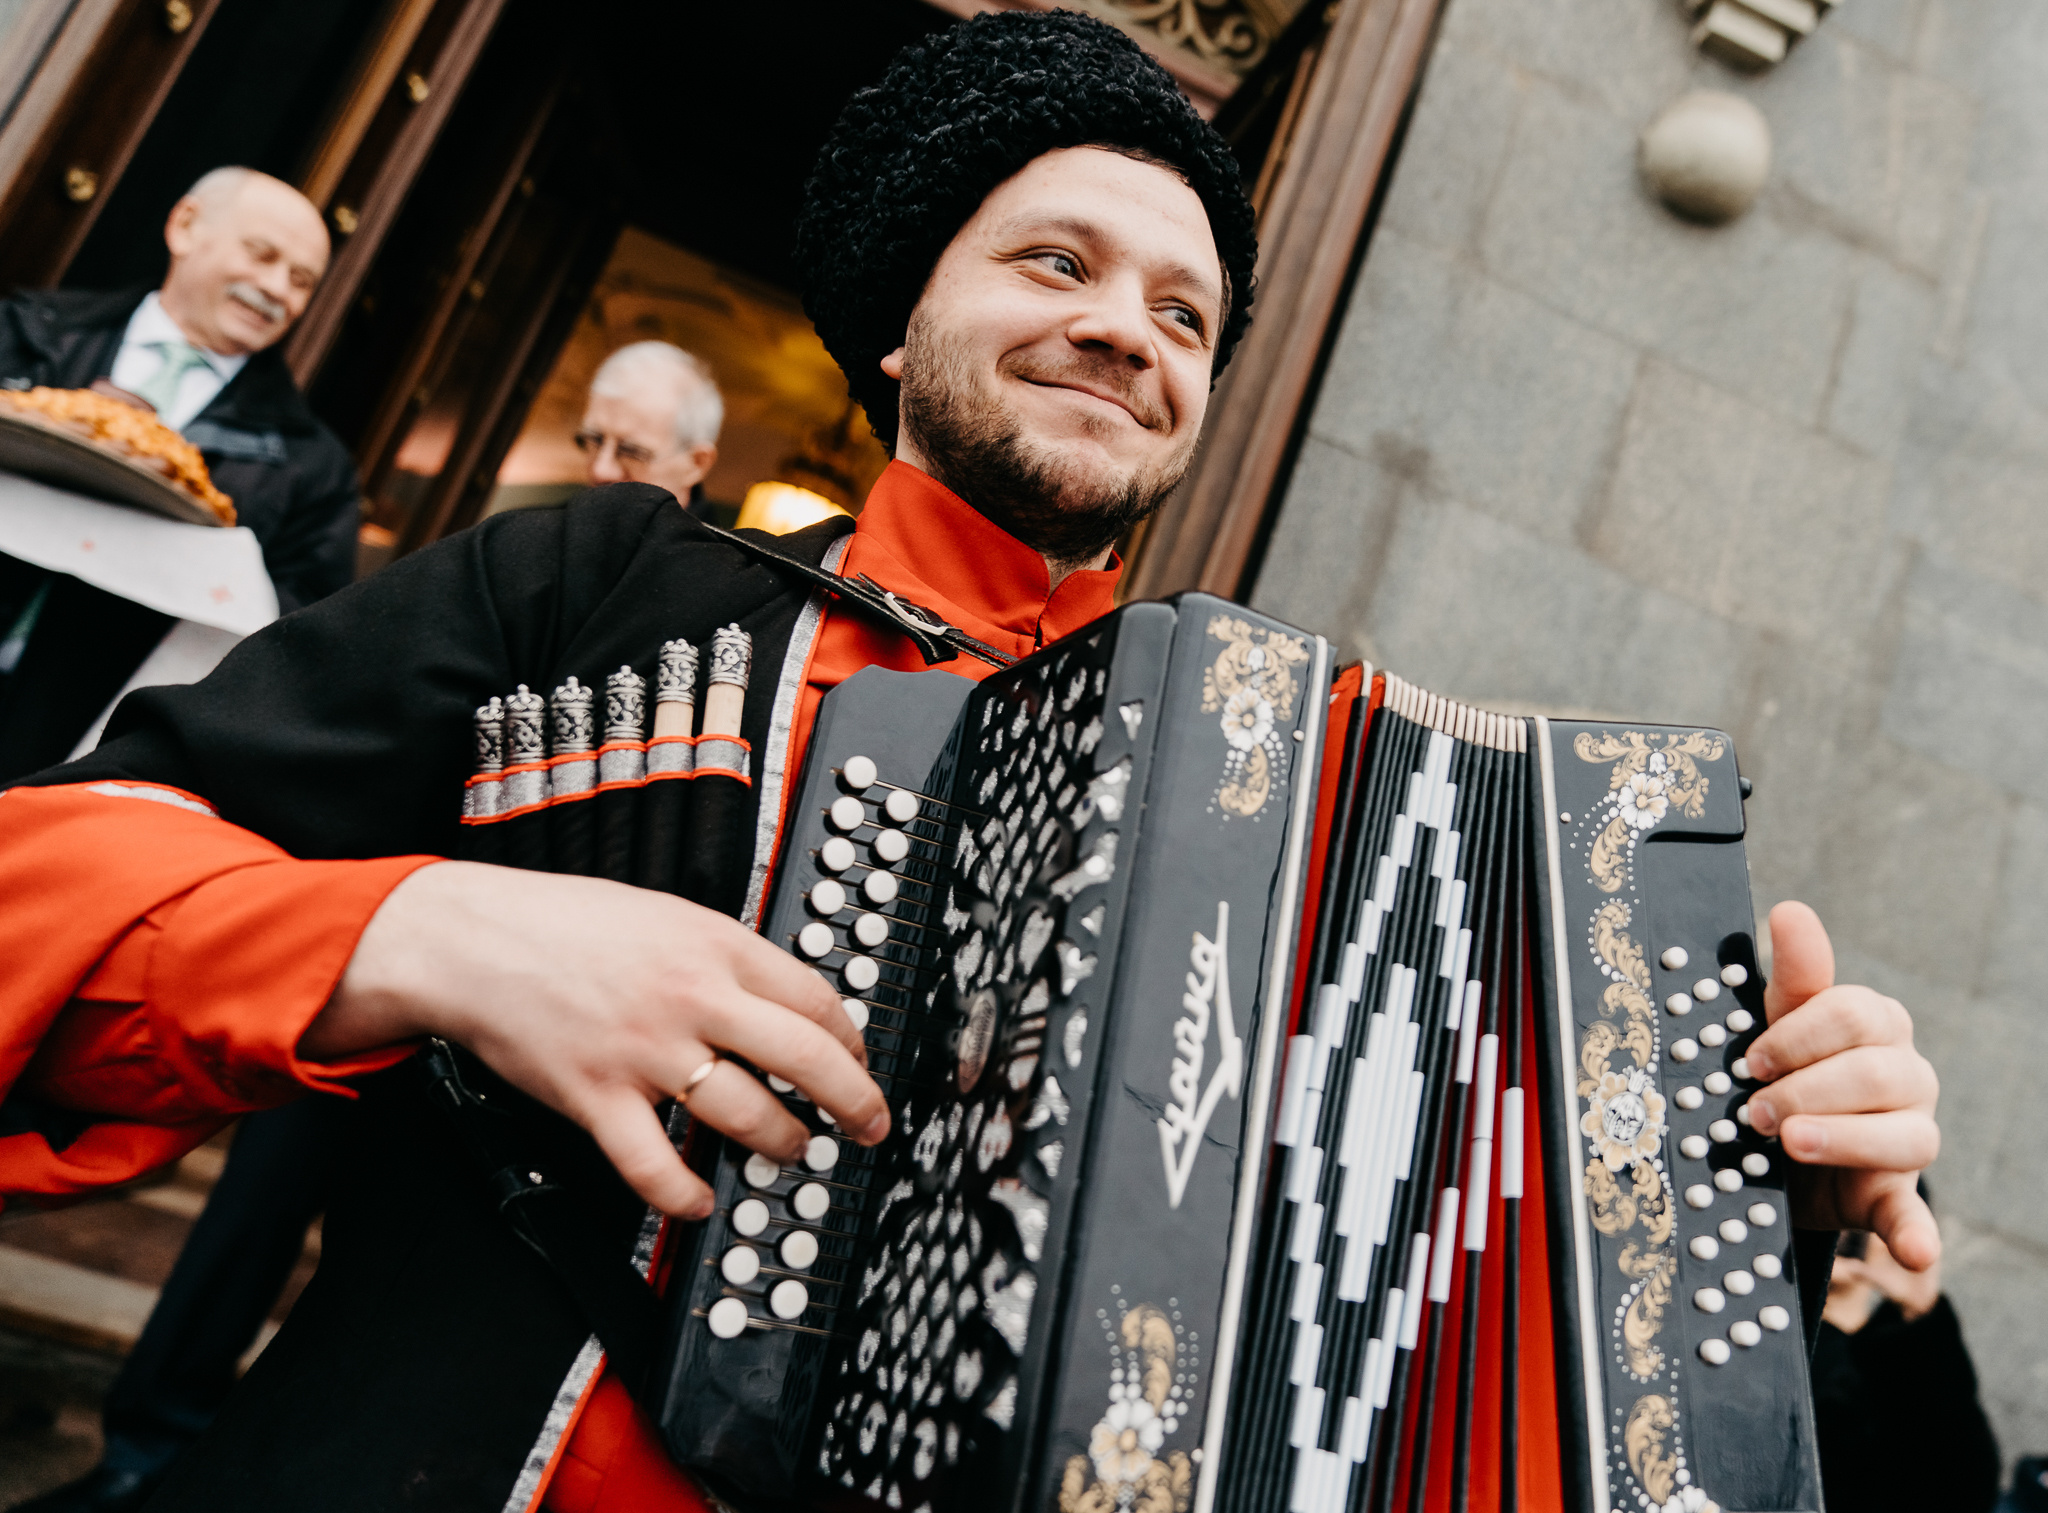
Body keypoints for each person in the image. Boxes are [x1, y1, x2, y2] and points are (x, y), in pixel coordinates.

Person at [0, 14, 1943, 1512]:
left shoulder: (1334, 810)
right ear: (909, 306)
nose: (1123, 330)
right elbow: (53, 884)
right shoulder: (601, 579)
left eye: (1182, 314)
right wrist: (425, 931)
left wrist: (1791, 1227)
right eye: (1054, 265)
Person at [0, 166, 357, 780]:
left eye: (301, 281)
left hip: (85, 742)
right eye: (261, 254)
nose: (275, 289)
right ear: (185, 227)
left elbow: (296, 638)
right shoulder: (21, 333)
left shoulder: (312, 466)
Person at [1812, 1190, 2001, 1513]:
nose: (1840, 1225)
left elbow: (1962, 1494)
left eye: (1859, 1216)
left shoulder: (1900, 1372)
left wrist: (1919, 1313)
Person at [574, 340, 723, 518]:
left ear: (696, 464)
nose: (601, 470)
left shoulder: (709, 546)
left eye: (631, 451)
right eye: (596, 439)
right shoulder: (545, 533)